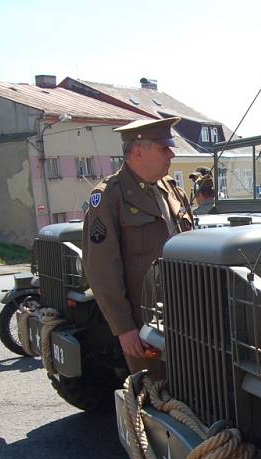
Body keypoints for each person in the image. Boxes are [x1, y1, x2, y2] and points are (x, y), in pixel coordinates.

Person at [81, 117, 193, 377]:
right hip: (145, 321)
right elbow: (100, 269)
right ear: (139, 151)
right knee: (154, 394)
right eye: (164, 148)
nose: (172, 154)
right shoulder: (109, 196)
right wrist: (124, 327)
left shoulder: (172, 191)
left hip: (187, 312)